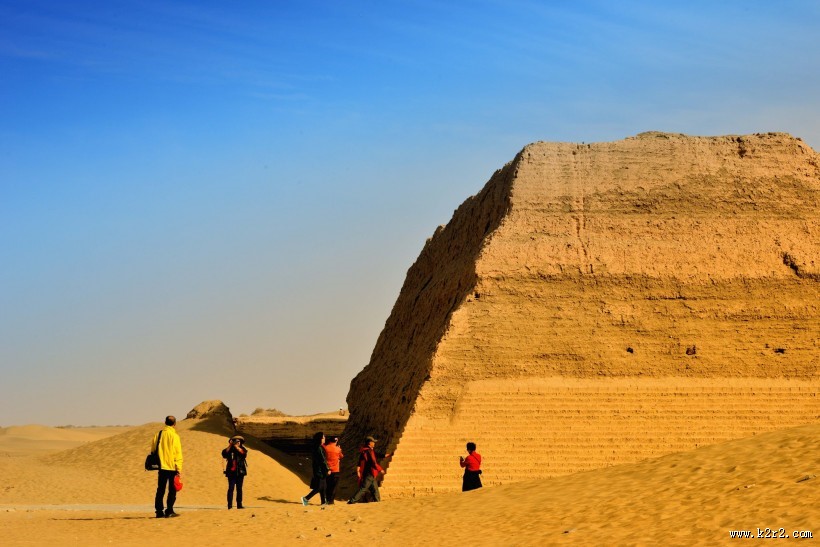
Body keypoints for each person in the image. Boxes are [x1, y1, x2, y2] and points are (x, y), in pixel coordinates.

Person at [150, 415, 183, 518]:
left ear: (165, 422)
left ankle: (159, 511)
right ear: (174, 424)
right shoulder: (175, 436)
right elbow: (178, 453)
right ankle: (169, 510)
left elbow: (153, 450)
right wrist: (179, 467)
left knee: (160, 489)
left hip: (162, 466)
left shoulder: (158, 434)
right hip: (172, 467)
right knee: (172, 490)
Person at [347, 436, 390, 504]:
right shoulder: (369, 451)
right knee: (363, 488)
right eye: (373, 442)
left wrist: (386, 455)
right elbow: (373, 462)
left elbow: (375, 455)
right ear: (370, 443)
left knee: (375, 489)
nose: (374, 443)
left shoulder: (365, 451)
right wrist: (380, 469)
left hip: (369, 473)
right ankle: (352, 501)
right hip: (370, 473)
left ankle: (377, 501)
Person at [301, 432, 330, 506]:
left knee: (324, 486)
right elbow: (323, 460)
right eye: (323, 437)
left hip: (319, 469)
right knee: (319, 487)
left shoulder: (318, 447)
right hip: (320, 470)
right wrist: (327, 469)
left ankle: (323, 502)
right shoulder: (319, 448)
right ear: (320, 439)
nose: (324, 438)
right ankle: (306, 498)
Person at [222, 435, 248, 509]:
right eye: (235, 441)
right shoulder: (230, 449)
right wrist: (230, 445)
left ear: (241, 442)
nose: (237, 442)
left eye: (238, 441)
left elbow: (244, 454)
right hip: (231, 472)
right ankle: (229, 506)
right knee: (231, 488)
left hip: (240, 472)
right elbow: (224, 454)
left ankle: (239, 505)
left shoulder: (242, 449)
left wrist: (237, 447)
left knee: (239, 489)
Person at [323, 436, 344, 504]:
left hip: (327, 469)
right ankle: (331, 501)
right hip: (335, 470)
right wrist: (339, 448)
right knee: (334, 487)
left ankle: (327, 499)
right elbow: (341, 456)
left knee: (328, 485)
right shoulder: (338, 449)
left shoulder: (325, 447)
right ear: (336, 441)